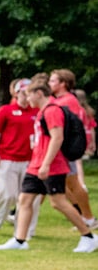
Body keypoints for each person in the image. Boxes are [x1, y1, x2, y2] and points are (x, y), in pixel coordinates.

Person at [0, 82, 98, 253]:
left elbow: (57, 138)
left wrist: (46, 164)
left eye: (29, 94)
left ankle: (88, 237)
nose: (26, 99)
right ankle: (20, 240)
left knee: (58, 202)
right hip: (36, 164)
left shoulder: (52, 110)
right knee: (24, 199)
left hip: (51, 165)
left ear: (39, 93)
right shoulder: (43, 111)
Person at [0, 79, 36, 237]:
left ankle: (24, 230)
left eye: (29, 93)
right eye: (23, 93)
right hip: (7, 158)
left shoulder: (37, 112)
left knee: (27, 197)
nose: (26, 97)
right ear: (16, 93)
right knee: (7, 194)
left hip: (29, 160)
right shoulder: (6, 110)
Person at [48, 69, 96, 227]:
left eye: (53, 81)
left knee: (73, 184)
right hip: (60, 150)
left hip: (64, 150)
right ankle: (84, 216)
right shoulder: (59, 100)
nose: (50, 83)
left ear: (64, 84)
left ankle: (87, 217)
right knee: (66, 185)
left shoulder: (66, 101)